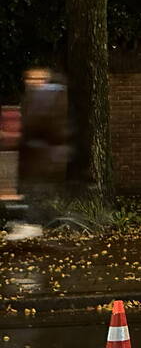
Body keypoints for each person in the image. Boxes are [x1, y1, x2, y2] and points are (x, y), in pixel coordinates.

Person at [6, 67, 70, 241]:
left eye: (35, 78)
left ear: (44, 79)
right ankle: (33, 222)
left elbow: (39, 125)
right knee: (34, 190)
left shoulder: (47, 97)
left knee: (37, 190)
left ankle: (33, 223)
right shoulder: (39, 97)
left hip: (42, 155)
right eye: (28, 79)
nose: (30, 82)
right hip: (37, 155)